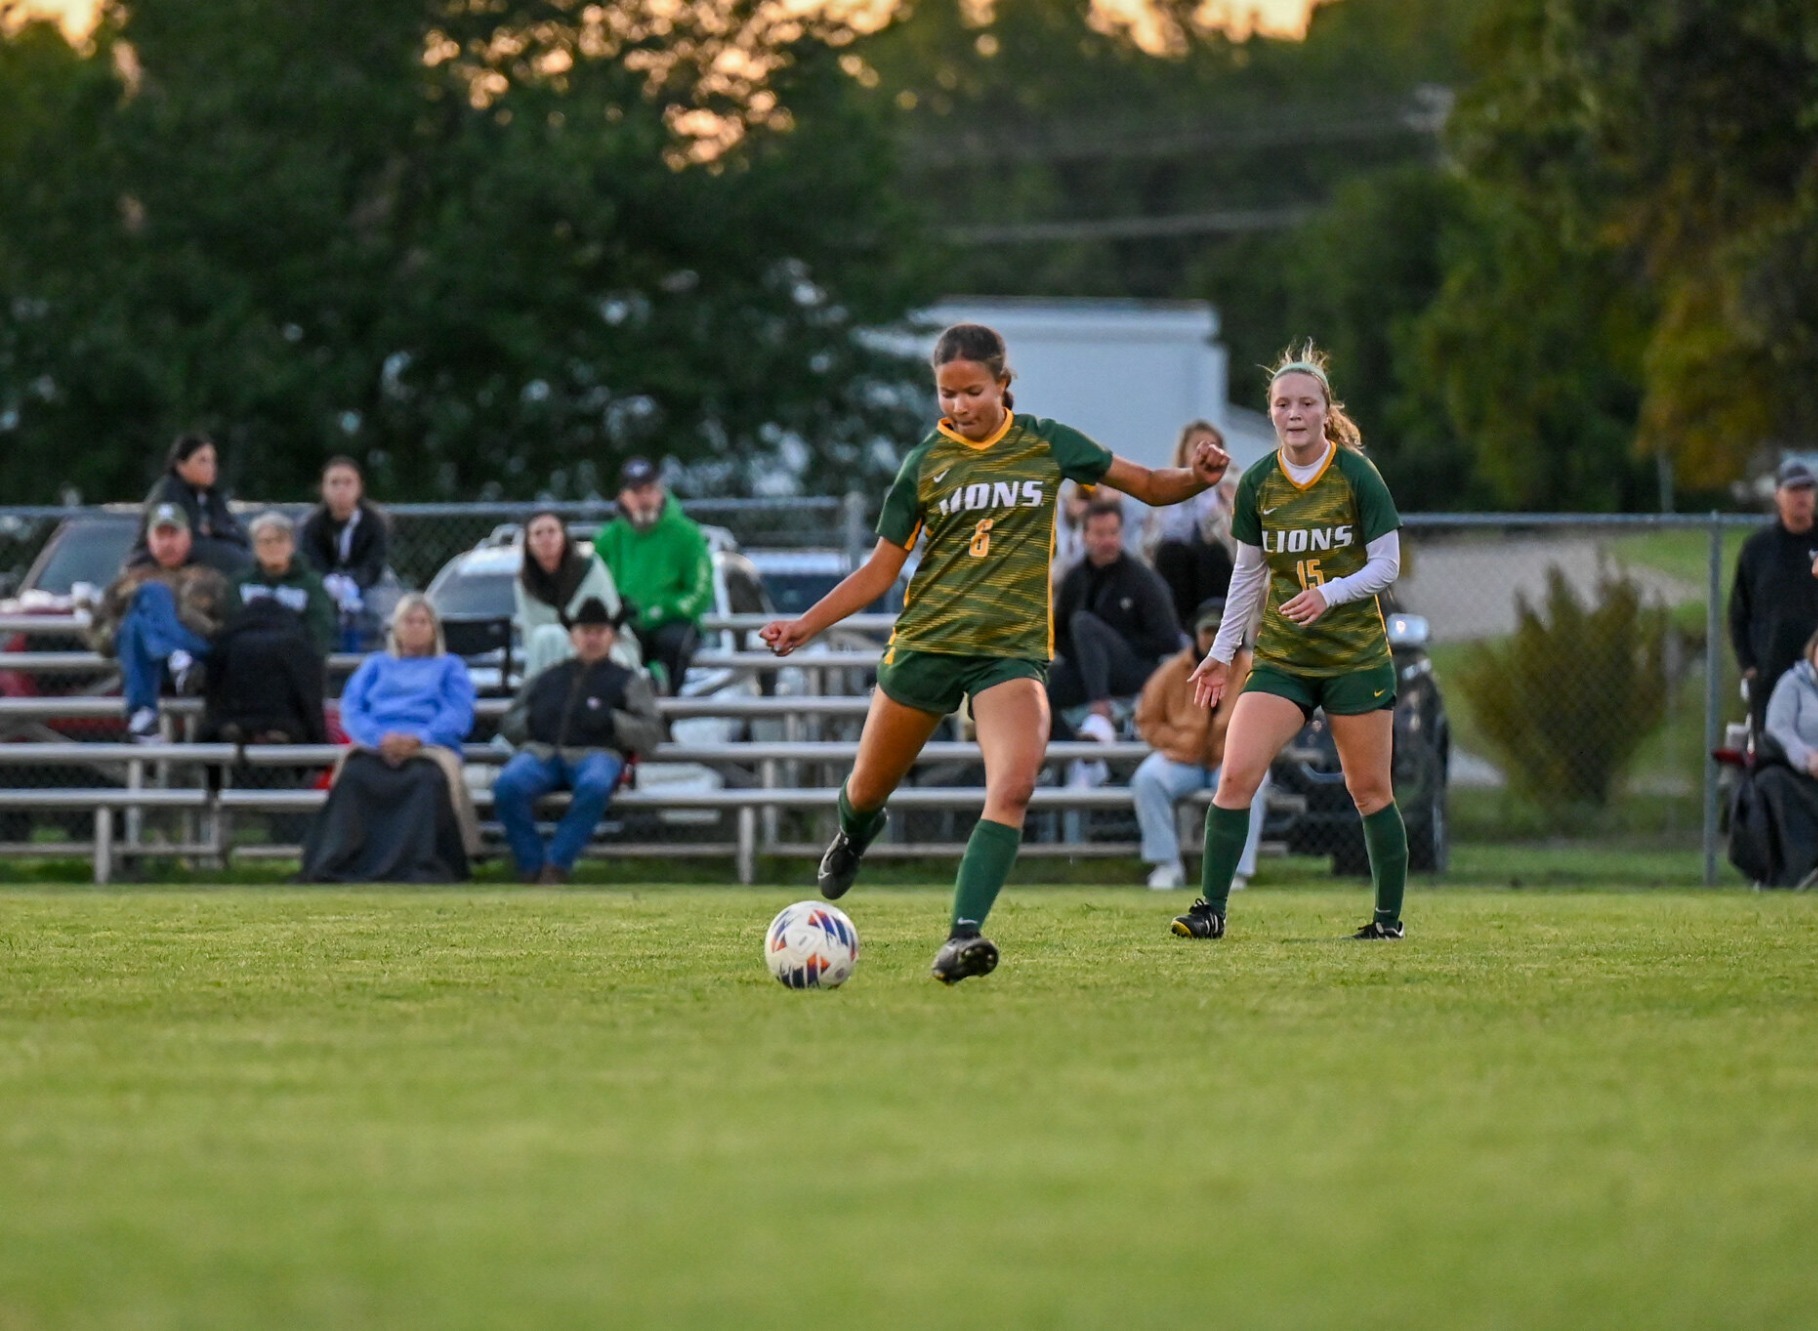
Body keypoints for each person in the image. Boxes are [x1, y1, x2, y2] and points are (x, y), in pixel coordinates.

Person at [760, 322, 1229, 984]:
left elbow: (1148, 483)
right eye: (946, 394)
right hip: (927, 645)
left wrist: (1194, 475)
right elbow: (878, 571)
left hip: (1008, 656)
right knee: (866, 789)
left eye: (972, 391)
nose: (958, 406)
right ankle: (855, 833)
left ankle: (962, 935)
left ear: (1005, 385)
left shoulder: (1044, 442)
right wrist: (804, 625)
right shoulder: (924, 463)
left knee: (1011, 786)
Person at [1171, 341, 1408, 943]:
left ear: (1326, 411)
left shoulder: (1355, 474)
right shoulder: (1257, 483)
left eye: (1307, 402)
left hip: (1353, 657)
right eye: (1283, 403)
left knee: (1369, 789)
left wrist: (1330, 593)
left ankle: (1387, 922)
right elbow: (1248, 575)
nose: (1294, 412)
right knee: (1235, 776)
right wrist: (1222, 653)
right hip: (1283, 658)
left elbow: (1387, 566)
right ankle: (1210, 910)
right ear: (1271, 412)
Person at [299, 595, 479, 881]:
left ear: (434, 628)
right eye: (409, 621)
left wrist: (420, 738)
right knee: (355, 775)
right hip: (375, 745)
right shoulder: (375, 665)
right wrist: (379, 738)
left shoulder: (450, 667)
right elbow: (352, 709)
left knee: (424, 779)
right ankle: (346, 861)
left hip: (428, 748)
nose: (416, 627)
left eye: (423, 622)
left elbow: (458, 713)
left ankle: (420, 865)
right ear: (396, 627)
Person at [493, 597, 664, 884]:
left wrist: (611, 721)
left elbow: (651, 733)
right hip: (542, 752)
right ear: (573, 637)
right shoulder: (547, 678)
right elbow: (509, 723)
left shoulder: (629, 681)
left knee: (595, 785)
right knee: (507, 785)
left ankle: (556, 865)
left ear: (612, 637)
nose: (592, 639)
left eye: (599, 632)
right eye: (586, 632)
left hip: (598, 753)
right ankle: (531, 865)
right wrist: (533, 723)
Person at [1132, 597, 1270, 890]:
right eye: (1207, 631)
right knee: (1147, 778)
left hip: (1232, 758)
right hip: (1184, 760)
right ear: (1196, 633)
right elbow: (1146, 719)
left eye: (1220, 631)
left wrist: (1244, 749)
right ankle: (1166, 864)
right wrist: (1177, 741)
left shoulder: (1253, 670)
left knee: (1253, 781)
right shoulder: (1172, 670)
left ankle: (1236, 870)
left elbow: (1269, 718)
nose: (1213, 638)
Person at [1047, 496, 1182, 754]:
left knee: (1084, 623)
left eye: (1113, 532)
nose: (1108, 540)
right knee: (1035, 691)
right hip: (1085, 674)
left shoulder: (1142, 580)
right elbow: (1059, 633)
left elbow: (1168, 639)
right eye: (1099, 533)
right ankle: (1076, 756)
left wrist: (1112, 643)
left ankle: (1101, 710)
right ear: (1084, 536)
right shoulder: (1076, 578)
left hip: (1133, 670)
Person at [88, 502, 230, 742]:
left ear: (188, 537)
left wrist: (183, 620)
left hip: (199, 665)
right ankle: (174, 657)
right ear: (150, 540)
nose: (167, 543)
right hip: (152, 668)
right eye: (160, 535)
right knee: (134, 623)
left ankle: (143, 714)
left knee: (149, 599)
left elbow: (226, 631)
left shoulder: (211, 580)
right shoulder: (128, 582)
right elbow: (100, 637)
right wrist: (121, 632)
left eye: (173, 534)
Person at [593, 458, 713, 693]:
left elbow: (701, 589)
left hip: (673, 621)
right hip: (625, 622)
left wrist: (664, 608)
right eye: (636, 491)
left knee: (673, 643)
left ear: (660, 492)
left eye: (650, 490)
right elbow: (593, 584)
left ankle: (664, 714)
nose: (644, 499)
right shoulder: (608, 538)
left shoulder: (687, 534)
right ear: (623, 496)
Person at [1729, 459, 1818, 741]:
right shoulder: (1758, 549)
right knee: (1771, 753)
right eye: (1793, 490)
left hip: (1815, 673)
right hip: (1771, 672)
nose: (1801, 496)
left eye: (1807, 488)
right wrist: (1750, 667)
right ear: (1777, 495)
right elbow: (1738, 613)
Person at [514, 509, 639, 680]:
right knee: (547, 637)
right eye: (537, 534)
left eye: (552, 531)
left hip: (604, 647)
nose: (545, 539)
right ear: (528, 543)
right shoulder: (524, 584)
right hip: (549, 653)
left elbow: (609, 623)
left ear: (564, 537)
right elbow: (532, 635)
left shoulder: (590, 569)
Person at [1146, 420, 1237, 627]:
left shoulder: (1231, 490)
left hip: (1216, 567)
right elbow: (1151, 542)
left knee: (1210, 552)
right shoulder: (1164, 488)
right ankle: (1176, 628)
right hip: (1176, 568)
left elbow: (1236, 538)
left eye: (1214, 446)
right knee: (1171, 552)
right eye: (1199, 445)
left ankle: (1215, 623)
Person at [1747, 627, 1818, 887]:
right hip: (1797, 776)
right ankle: (1788, 875)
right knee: (1772, 784)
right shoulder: (1793, 684)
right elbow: (1779, 730)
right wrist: (1807, 758)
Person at [298, 456, 391, 651]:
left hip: (367, 584)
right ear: (323, 488)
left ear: (359, 487)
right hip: (325, 583)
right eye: (334, 483)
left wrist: (355, 583)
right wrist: (327, 582)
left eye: (348, 482)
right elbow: (310, 560)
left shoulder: (375, 523)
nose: (341, 489)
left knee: (383, 606)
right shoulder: (312, 525)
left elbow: (375, 562)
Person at [129, 432, 251, 575]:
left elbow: (237, 533)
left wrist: (215, 530)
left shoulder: (211, 497)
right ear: (180, 465)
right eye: (202, 461)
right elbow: (184, 540)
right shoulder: (168, 492)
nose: (211, 467)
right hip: (156, 567)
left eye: (213, 461)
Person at [233, 512, 336, 656]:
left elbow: (319, 631)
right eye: (266, 541)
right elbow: (233, 627)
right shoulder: (240, 583)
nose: (273, 546)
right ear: (255, 547)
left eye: (280, 540)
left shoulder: (312, 584)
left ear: (292, 545)